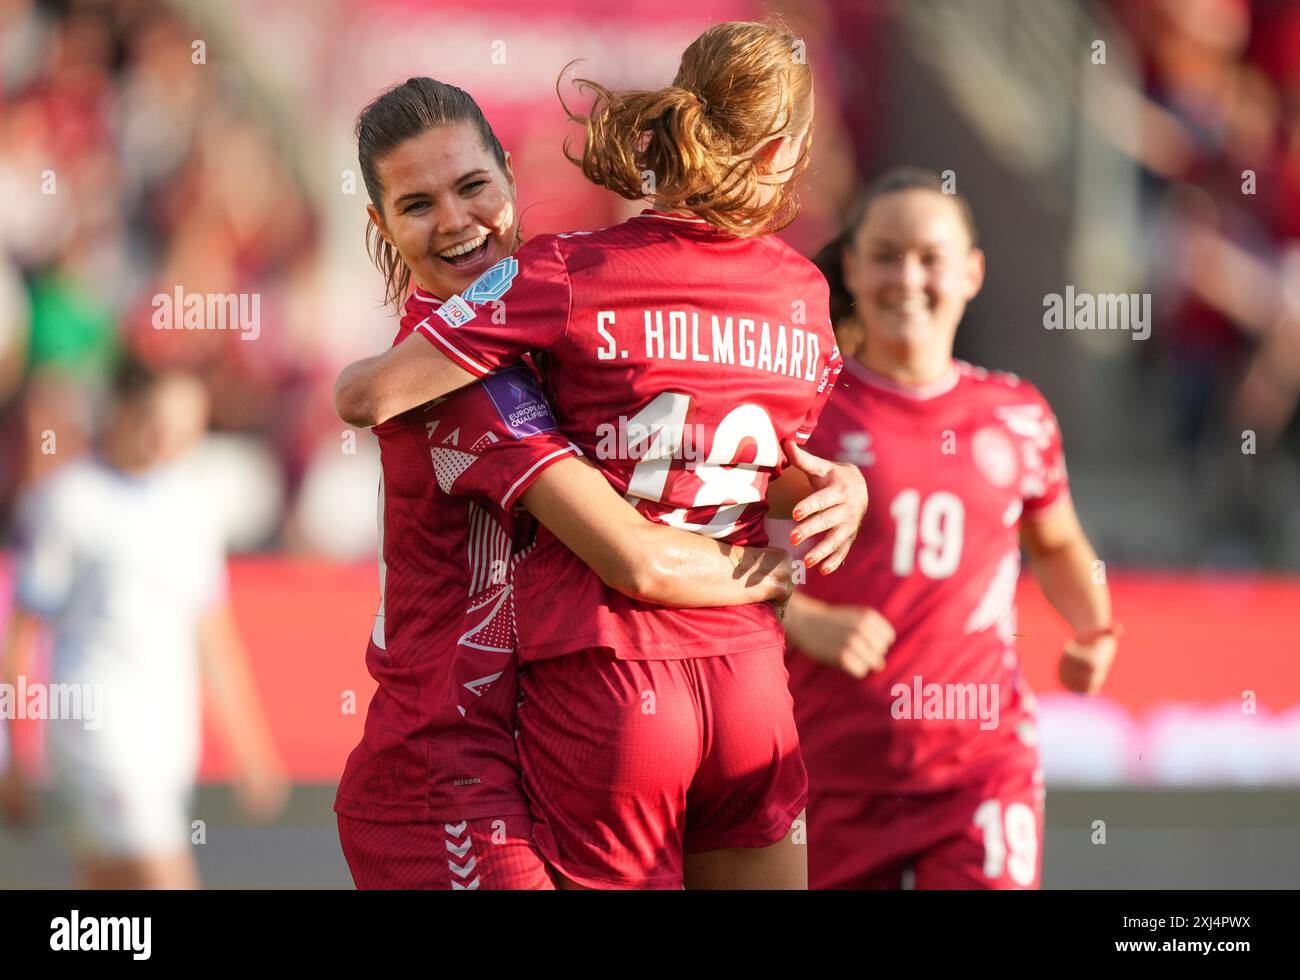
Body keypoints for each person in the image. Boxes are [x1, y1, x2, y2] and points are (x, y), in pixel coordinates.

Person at [334, 20, 867, 890]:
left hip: (562, 727)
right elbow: (640, 555)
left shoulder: (556, 308)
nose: (458, 222)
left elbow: (685, 444)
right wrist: (779, 573)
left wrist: (832, 483)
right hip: (446, 767)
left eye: (473, 185)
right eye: (418, 205)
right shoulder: (461, 375)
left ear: (512, 178)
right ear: (380, 225)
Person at [782, 167, 1119, 889]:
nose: (908, 277)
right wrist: (802, 619)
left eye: (930, 257)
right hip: (831, 771)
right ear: (852, 267)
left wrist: (1096, 628)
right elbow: (718, 550)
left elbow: (1056, 542)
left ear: (972, 272)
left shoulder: (1017, 414)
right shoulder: (803, 412)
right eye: (886, 255)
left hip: (981, 768)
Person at [0, 359, 286, 889]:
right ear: (125, 410)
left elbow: (212, 638)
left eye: (186, 424)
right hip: (98, 732)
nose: (171, 436)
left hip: (167, 740)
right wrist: (14, 754)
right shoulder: (66, 501)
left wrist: (251, 748)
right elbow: (21, 638)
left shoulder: (193, 506)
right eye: (160, 417)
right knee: (165, 881)